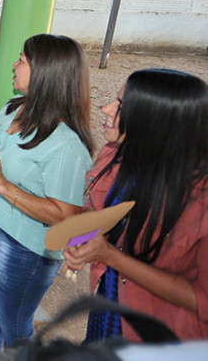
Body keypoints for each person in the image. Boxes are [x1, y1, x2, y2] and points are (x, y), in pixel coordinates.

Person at [63, 69, 208, 341]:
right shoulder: (119, 155)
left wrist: (110, 256)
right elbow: (97, 210)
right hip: (109, 309)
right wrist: (83, 237)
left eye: (122, 106)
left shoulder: (200, 200)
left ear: (157, 123)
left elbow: (201, 299)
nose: (106, 109)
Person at [0, 34, 95, 351]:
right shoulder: (14, 108)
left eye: (22, 60)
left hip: (25, 247)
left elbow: (67, 217)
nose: (14, 64)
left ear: (44, 74)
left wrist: (5, 188)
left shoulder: (67, 145)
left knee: (14, 328)